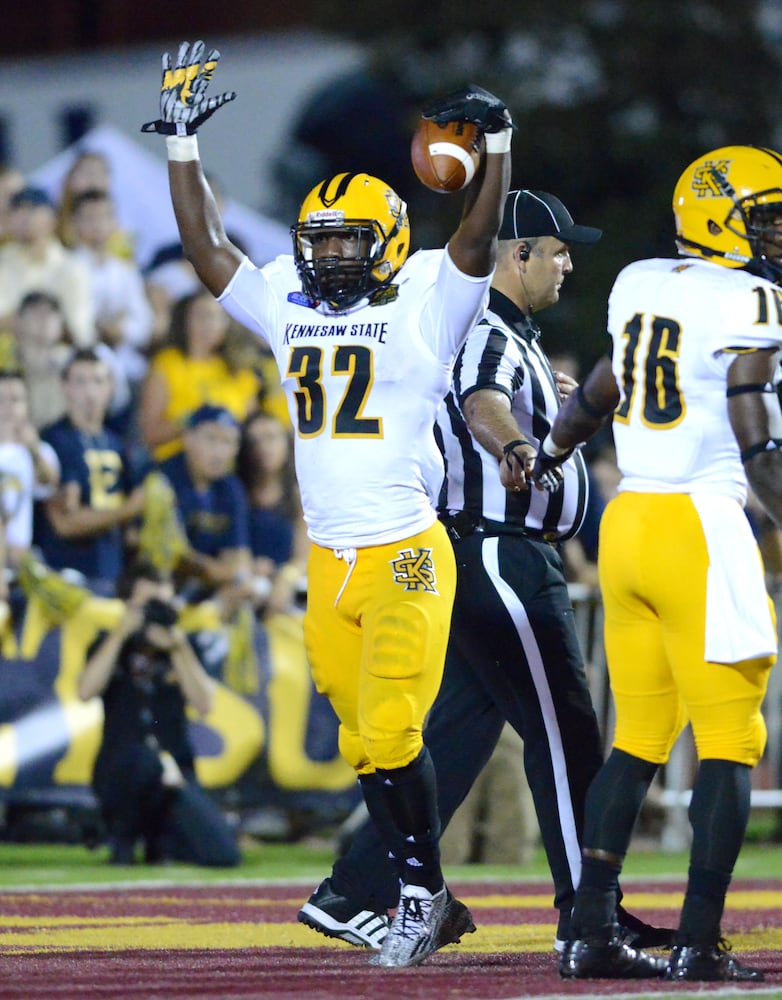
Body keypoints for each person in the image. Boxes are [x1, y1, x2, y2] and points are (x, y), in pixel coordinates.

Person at [142, 39, 512, 966]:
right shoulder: (288, 301)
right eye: (319, 243)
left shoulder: (428, 300)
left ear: (386, 242)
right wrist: (183, 144)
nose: (329, 258)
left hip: (408, 552)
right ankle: (422, 891)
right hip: (330, 559)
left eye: (346, 242)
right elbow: (206, 247)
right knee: (361, 742)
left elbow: (472, 237)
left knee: (393, 727)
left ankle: (420, 896)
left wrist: (498, 144)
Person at [298, 190, 672, 956]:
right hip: (498, 549)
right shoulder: (482, 324)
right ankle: (588, 916)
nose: (569, 263)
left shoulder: (500, 329)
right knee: (566, 735)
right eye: (557, 249)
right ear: (516, 254)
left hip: (480, 553)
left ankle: (355, 889)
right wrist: (515, 445)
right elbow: (482, 402)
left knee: (461, 737)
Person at [532, 144, 782, 982]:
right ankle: (699, 943)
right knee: (731, 739)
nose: (777, 234)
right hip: (701, 526)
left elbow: (603, 387)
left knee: (637, 736)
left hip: (629, 520)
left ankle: (590, 930)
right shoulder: (752, 298)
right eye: (766, 217)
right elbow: (759, 441)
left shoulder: (641, 281)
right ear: (721, 219)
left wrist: (553, 445)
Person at [78, 557, 240, 867]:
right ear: (127, 603)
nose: (154, 611)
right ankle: (121, 839)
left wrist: (178, 647)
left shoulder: (181, 646)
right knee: (142, 761)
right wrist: (121, 634)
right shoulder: (108, 644)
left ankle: (162, 842)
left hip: (174, 774)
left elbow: (205, 704)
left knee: (223, 854)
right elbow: (86, 691)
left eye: (162, 602)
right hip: (122, 773)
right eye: (147, 603)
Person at [35, 348, 145, 589]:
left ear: (110, 388)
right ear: (64, 387)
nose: (90, 391)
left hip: (112, 574)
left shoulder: (118, 444)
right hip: (65, 575)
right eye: (80, 381)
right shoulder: (53, 441)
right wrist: (127, 510)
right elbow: (66, 523)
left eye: (98, 381)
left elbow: (131, 531)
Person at [138, 287, 262, 461]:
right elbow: (150, 434)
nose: (209, 323)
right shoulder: (167, 364)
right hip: (175, 463)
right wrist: (193, 420)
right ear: (185, 320)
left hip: (226, 470)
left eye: (217, 316)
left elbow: (253, 431)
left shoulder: (240, 371)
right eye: (202, 315)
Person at [157, 403, 251, 599]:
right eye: (211, 439)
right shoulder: (163, 479)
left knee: (245, 590)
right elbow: (175, 557)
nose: (219, 452)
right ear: (188, 438)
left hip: (207, 585)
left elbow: (238, 556)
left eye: (227, 442)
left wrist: (226, 572)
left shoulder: (231, 488)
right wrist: (222, 571)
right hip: (160, 581)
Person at [0, 186, 95, 346]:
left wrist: (38, 324)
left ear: (52, 219)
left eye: (31, 209)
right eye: (16, 210)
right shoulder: (2, 261)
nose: (22, 217)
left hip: (54, 361)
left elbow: (80, 331)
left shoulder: (71, 267)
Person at [235, 410, 309, 616]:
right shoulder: (236, 492)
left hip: (288, 586)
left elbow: (303, 558)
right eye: (254, 441)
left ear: (286, 442)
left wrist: (285, 577)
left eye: (271, 438)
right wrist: (248, 565)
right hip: (245, 581)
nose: (263, 448)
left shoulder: (300, 495)